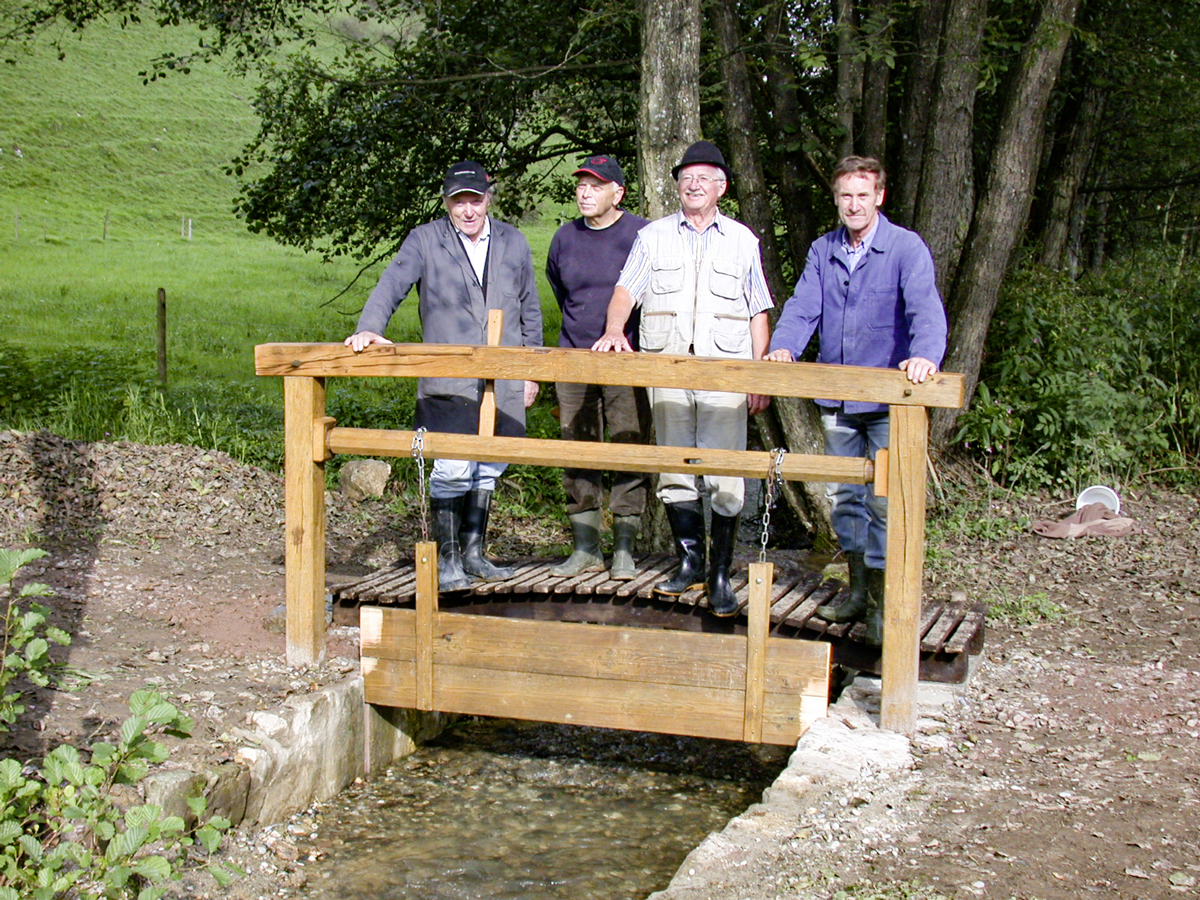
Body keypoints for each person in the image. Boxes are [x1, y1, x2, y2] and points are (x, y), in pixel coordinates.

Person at [765, 155, 947, 645]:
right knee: (846, 498)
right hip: (838, 400)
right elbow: (803, 306)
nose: (853, 204)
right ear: (836, 199)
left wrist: (925, 356)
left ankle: (885, 608)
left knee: (885, 502)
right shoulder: (824, 249)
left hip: (889, 404)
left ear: (879, 197)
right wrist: (784, 346)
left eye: (862, 195)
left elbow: (925, 309)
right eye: (845, 195)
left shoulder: (905, 247)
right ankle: (859, 593)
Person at [592, 141, 772, 616]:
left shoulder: (742, 240)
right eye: (686, 177)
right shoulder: (652, 236)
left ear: (721, 187)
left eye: (704, 177)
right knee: (675, 470)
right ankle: (690, 564)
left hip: (725, 371)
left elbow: (758, 310)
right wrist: (614, 330)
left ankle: (720, 574)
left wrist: (759, 375)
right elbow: (626, 290)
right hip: (667, 368)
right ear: (677, 186)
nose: (693, 185)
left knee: (725, 474)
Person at [345, 160, 542, 591]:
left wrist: (531, 371)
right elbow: (392, 283)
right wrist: (370, 327)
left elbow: (529, 307)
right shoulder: (425, 240)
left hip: (504, 379)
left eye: (475, 200)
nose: (468, 210)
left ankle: (474, 554)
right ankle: (448, 560)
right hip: (449, 380)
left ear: (488, 199)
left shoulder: (513, 241)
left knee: (489, 466)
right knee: (452, 467)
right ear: (446, 203)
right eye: (459, 202)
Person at [546, 154, 651, 580]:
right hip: (574, 357)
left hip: (627, 361)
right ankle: (586, 548)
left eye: (595, 186)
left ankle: (624, 550)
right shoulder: (564, 238)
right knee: (577, 450)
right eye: (581, 185)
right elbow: (561, 291)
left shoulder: (641, 234)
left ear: (617, 193)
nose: (585, 193)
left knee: (629, 447)